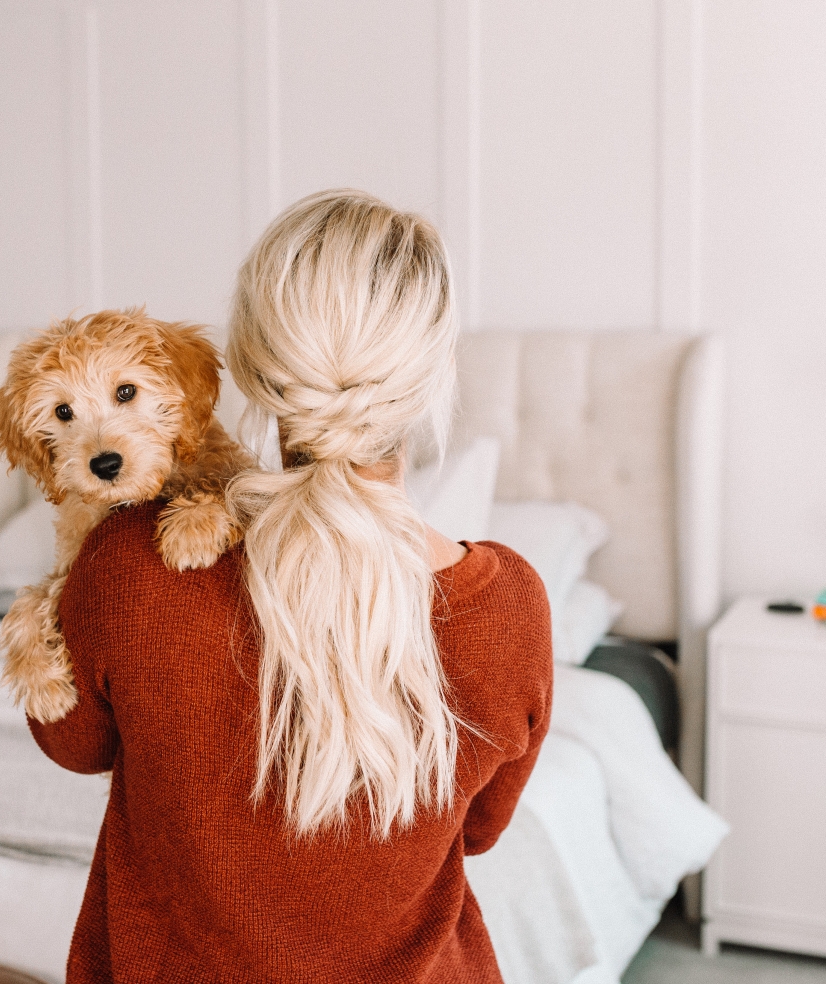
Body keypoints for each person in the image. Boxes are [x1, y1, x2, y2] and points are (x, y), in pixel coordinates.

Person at [28, 189, 553, 983]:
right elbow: (477, 832)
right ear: (432, 375)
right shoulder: (510, 607)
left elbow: (74, 745)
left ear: (246, 366)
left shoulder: (129, 564)